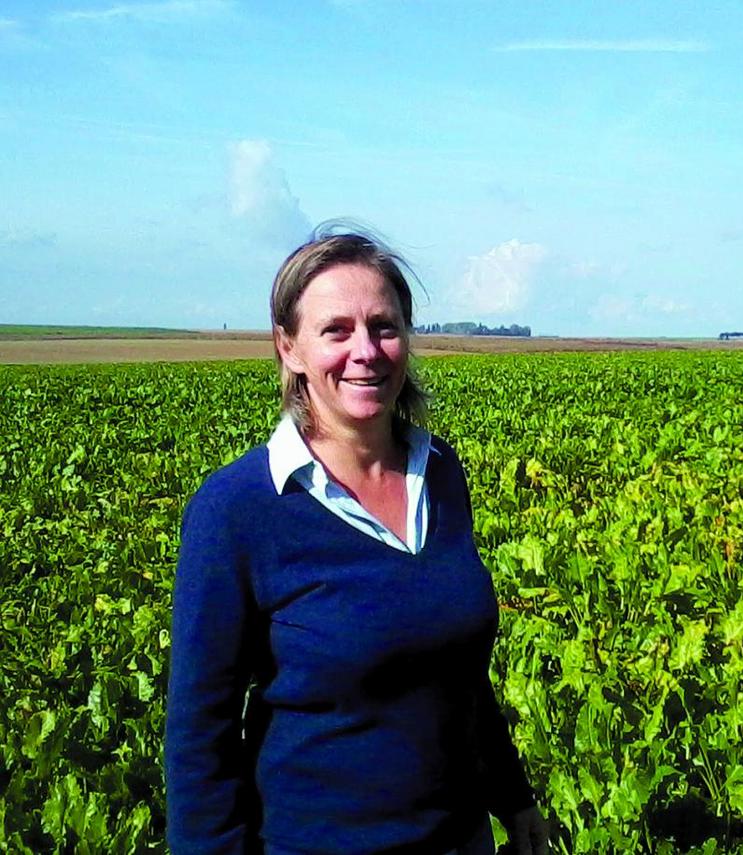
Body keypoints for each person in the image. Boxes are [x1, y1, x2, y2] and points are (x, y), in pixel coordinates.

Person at [165, 226, 548, 855]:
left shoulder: (440, 472)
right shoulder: (238, 510)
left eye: (384, 326)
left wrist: (511, 794)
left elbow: (457, 669)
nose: (365, 350)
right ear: (289, 348)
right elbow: (198, 738)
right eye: (336, 330)